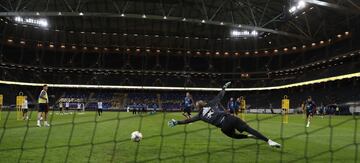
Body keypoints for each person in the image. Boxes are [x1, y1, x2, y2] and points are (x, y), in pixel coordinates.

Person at [168, 82, 281, 148]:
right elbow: (220, 95)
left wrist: (176, 122)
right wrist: (224, 87)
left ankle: (248, 137)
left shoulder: (200, 116)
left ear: (198, 108)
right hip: (229, 119)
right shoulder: (211, 104)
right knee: (249, 129)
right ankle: (268, 141)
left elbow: (188, 120)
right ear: (204, 103)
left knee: (233, 135)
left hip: (224, 127)